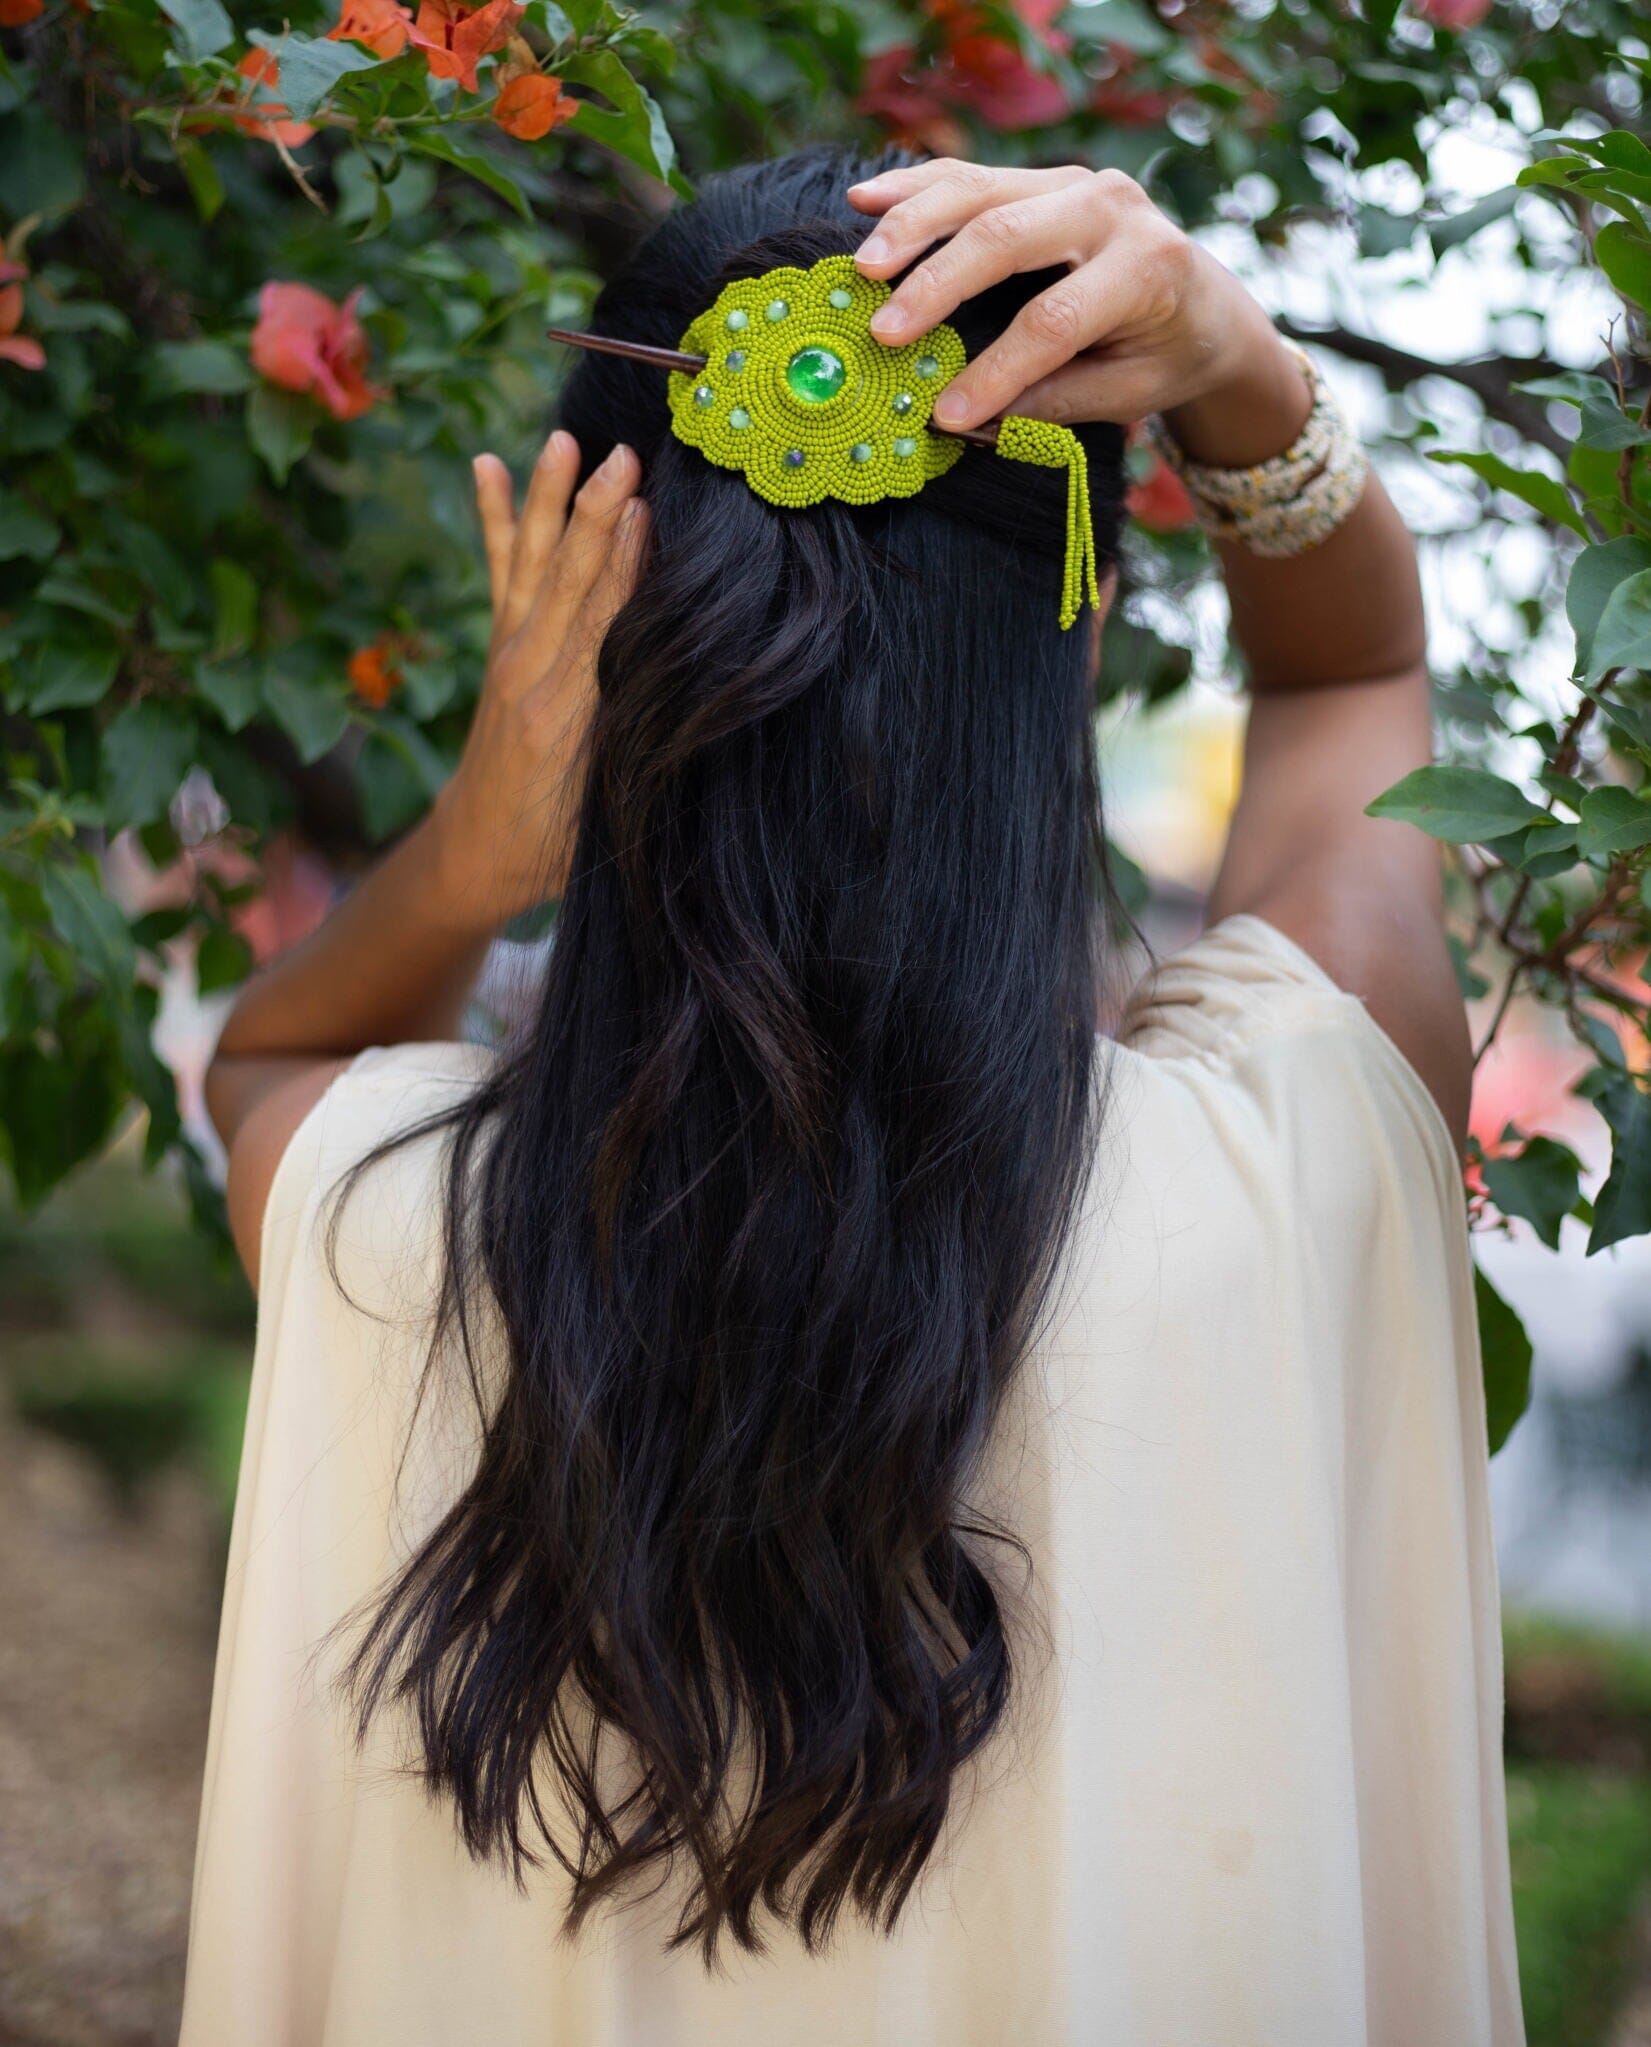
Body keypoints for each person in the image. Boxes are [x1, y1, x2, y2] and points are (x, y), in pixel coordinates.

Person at [182, 145, 1522, 2046]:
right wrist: (1228, 352)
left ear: (576, 641)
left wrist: (486, 844)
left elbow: (264, 1054)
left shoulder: (390, 1233)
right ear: (1086, 596)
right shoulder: (1291, 1167)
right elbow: (1359, 678)